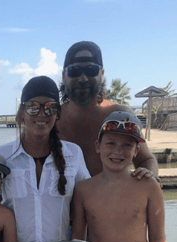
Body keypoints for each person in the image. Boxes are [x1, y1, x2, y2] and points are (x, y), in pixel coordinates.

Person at [70, 111, 166, 242]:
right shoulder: (83, 189)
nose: (118, 151)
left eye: (127, 145)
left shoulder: (148, 186)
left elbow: (158, 239)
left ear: (136, 151)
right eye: (110, 143)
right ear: (98, 146)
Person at [0, 75, 90, 242]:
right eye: (33, 107)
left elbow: (87, 201)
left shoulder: (73, 154)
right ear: (22, 113)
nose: (41, 114)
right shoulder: (1, 156)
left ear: (58, 113)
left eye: (49, 107)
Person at [57, 41, 159, 180]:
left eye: (91, 70)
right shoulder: (51, 119)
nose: (83, 78)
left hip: (111, 200)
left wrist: (147, 181)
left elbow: (146, 160)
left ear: (102, 74)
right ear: (64, 76)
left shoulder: (120, 117)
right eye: (74, 71)